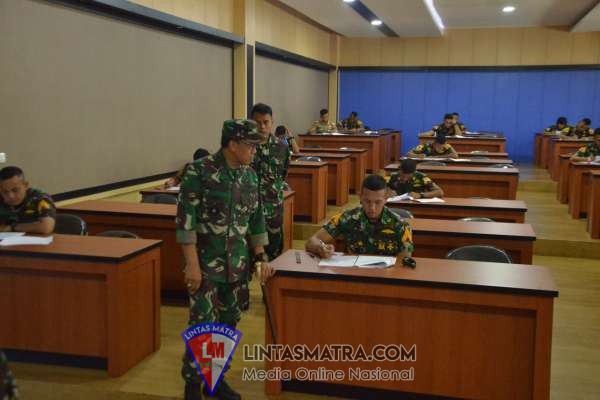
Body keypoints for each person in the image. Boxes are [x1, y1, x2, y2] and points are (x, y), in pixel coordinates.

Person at [177, 119, 275, 400]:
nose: (255, 150)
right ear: (232, 145)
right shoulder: (199, 171)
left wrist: (261, 256)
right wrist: (192, 265)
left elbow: (256, 221)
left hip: (238, 266)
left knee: (227, 324)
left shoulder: (250, 176)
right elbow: (185, 223)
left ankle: (214, 380)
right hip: (205, 264)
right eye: (250, 145)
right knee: (202, 326)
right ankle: (192, 384)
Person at [305, 174, 413, 258]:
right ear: (360, 196)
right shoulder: (347, 218)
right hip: (354, 274)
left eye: (377, 202)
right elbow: (311, 241)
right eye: (367, 201)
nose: (372, 208)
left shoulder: (400, 225)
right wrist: (320, 248)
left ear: (386, 198)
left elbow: (405, 260)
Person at [251, 103, 291, 261]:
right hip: (249, 211)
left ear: (272, 122)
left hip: (273, 210)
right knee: (250, 258)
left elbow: (283, 174)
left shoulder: (282, 147)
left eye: (266, 122)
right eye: (257, 122)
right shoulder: (244, 146)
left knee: (274, 256)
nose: (262, 127)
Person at [0, 166, 56, 234]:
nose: (11, 196)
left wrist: (12, 227)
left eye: (15, 190)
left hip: (37, 239)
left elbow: (46, 227)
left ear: (25, 185)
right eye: (5, 192)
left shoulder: (40, 198)